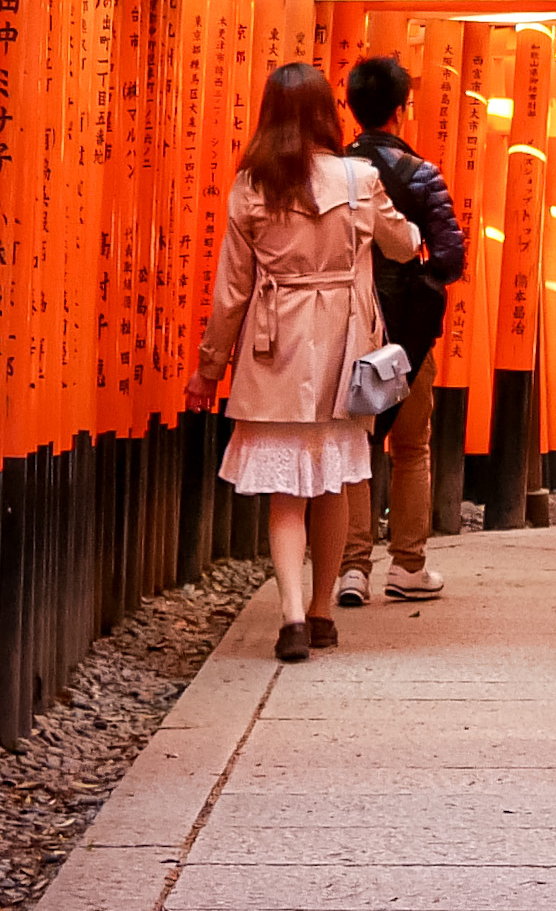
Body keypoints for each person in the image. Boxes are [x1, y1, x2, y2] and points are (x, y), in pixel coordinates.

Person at [188, 60, 425, 661]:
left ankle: (291, 616)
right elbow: (403, 243)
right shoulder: (358, 178)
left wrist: (209, 368)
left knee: (286, 492)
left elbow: (233, 289)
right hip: (346, 345)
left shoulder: (252, 183)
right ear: (327, 112)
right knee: (336, 480)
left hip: (276, 347)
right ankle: (323, 612)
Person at [332, 53, 465, 607]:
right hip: (406, 336)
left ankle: (352, 569)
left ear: (352, 109)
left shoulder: (334, 174)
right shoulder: (422, 174)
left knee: (353, 445)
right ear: (401, 110)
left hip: (348, 331)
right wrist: (423, 282)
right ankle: (407, 566)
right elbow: (452, 255)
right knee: (411, 447)